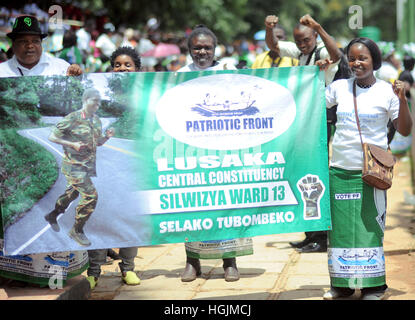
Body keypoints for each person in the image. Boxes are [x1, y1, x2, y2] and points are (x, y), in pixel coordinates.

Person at [0, 15, 86, 287]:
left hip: (47, 145)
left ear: (42, 44)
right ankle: (13, 272)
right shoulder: (2, 73)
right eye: (23, 41)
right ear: (12, 45)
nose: (29, 46)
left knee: (52, 208)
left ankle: (53, 275)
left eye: (35, 41)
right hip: (9, 151)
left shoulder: (60, 68)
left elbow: (79, 102)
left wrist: (78, 79)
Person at [323, 37, 412, 300]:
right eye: (352, 58)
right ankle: (342, 285)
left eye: (363, 58)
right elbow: (313, 104)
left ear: (374, 60)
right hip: (339, 169)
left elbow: (405, 128)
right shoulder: (339, 87)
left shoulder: (386, 91)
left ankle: (375, 286)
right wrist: (317, 74)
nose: (356, 63)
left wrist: (402, 99)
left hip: (372, 173)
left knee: (369, 227)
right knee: (339, 229)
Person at [177, 25, 253, 282]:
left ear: (215, 48)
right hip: (191, 151)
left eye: (207, 47)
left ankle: (229, 262)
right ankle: (192, 262)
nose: (202, 51)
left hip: (225, 152)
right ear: (189, 49)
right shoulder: (179, 75)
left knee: (226, 205)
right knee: (192, 207)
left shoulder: (228, 70)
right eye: (197, 47)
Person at [265, 14, 342, 253]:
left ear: (315, 37)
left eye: (306, 40)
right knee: (305, 174)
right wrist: (269, 29)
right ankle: (311, 233)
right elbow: (274, 46)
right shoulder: (301, 53)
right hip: (305, 123)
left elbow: (338, 56)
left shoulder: (321, 53)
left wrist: (318, 25)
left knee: (317, 174)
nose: (302, 45)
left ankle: (322, 236)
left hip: (321, 122)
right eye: (298, 41)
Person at [85, 46, 142, 289]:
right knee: (99, 215)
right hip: (104, 166)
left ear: (137, 69)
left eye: (128, 65)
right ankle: (94, 270)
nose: (122, 69)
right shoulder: (101, 95)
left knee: (131, 216)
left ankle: (128, 268)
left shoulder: (146, 96)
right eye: (117, 65)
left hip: (134, 167)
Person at [46, 88, 114, 248]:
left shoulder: (96, 120)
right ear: (85, 100)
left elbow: (97, 142)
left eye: (99, 101)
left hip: (87, 166)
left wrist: (107, 137)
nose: (97, 104)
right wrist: (72, 144)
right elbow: (52, 136)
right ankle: (77, 230)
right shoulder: (73, 118)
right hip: (73, 166)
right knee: (91, 196)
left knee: (71, 194)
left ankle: (53, 215)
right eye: (94, 100)